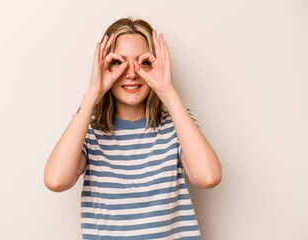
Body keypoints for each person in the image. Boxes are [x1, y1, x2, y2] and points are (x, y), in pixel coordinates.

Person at [44, 17, 222, 239]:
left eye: (143, 62)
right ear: (104, 66)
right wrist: (92, 94)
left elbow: (208, 177)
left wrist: (167, 91)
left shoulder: (177, 123)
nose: (131, 74)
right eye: (119, 62)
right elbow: (55, 181)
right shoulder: (87, 129)